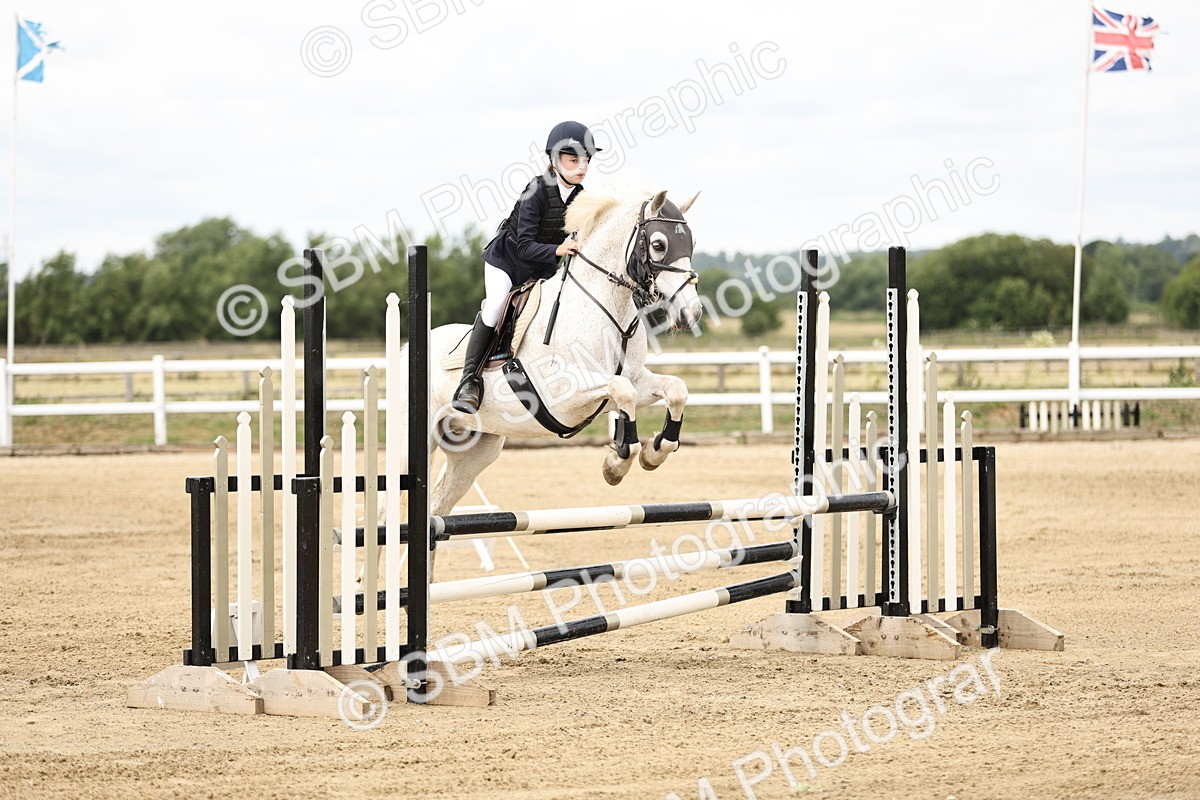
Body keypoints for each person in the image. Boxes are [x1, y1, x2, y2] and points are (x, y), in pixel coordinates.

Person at [451, 120, 602, 413]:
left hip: (542, 268)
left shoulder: (581, 196)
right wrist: (558, 249)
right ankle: (468, 381)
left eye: (586, 160)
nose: (582, 167)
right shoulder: (536, 189)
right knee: (495, 306)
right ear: (555, 160)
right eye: (574, 160)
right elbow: (524, 245)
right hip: (508, 260)